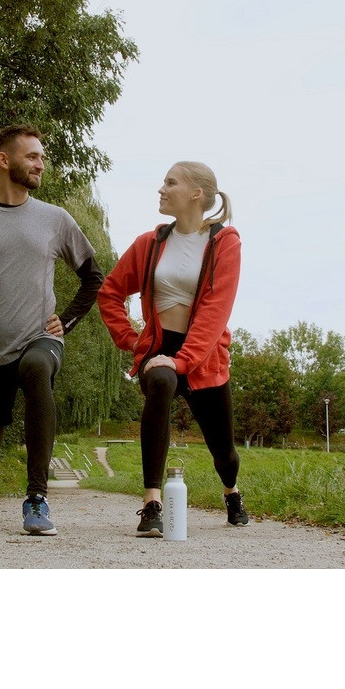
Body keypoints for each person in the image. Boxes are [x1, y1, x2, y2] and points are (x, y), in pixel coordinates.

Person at [0, 124, 105, 535]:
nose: (41, 163)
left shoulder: (54, 219)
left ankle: (37, 498)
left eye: (42, 156)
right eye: (32, 156)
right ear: (4, 160)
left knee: (36, 368)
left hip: (39, 340)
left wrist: (67, 319)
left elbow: (93, 277)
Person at [97, 161, 249, 537]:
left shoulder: (224, 242)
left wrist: (184, 359)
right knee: (161, 380)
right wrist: (132, 340)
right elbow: (110, 292)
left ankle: (231, 492)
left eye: (170, 182)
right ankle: (152, 502)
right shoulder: (149, 244)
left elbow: (215, 310)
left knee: (224, 451)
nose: (161, 189)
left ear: (196, 193)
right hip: (159, 347)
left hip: (205, 354)